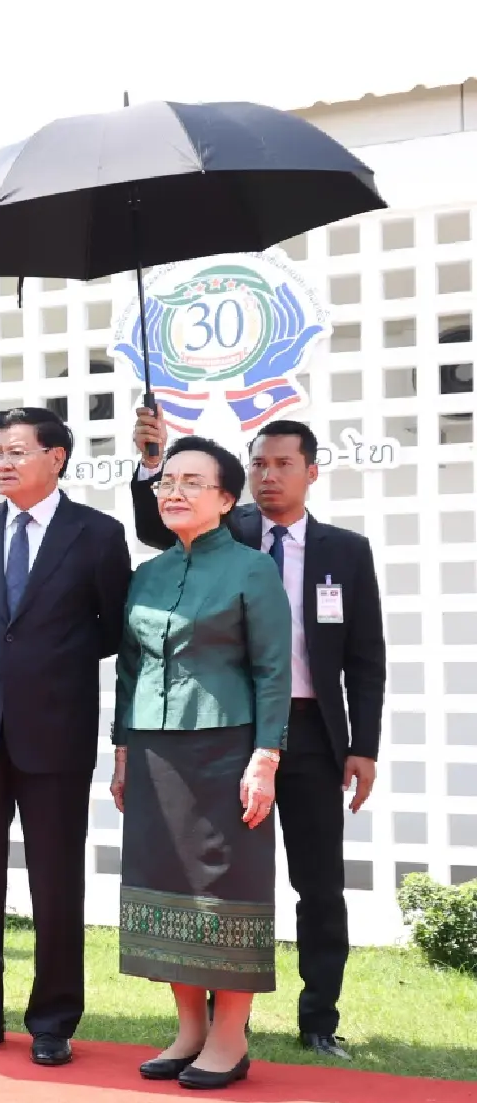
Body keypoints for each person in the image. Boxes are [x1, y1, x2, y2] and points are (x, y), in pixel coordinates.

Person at [129, 411, 385, 1059]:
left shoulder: (344, 553)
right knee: (218, 874)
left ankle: (318, 1016)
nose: (269, 477)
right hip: (228, 731)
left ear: (311, 471)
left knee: (318, 880)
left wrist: (363, 744)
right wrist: (152, 460)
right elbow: (153, 521)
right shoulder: (225, 534)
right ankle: (217, 1024)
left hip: (311, 730)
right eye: (260, 465)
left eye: (283, 464)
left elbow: (365, 656)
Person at [0, 406, 132, 1067]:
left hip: (56, 732)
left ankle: (53, 1019)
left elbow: (112, 630)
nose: (2, 463)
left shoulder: (97, 534)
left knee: (55, 881)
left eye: (16, 451)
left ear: (57, 457)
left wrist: (51, 661)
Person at [112, 438, 291, 1090]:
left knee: (223, 888)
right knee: (166, 885)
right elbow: (130, 669)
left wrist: (265, 757)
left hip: (228, 748)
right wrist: (123, 749)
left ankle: (230, 1035)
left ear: (225, 497)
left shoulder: (252, 569)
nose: (174, 492)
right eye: (166, 482)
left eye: (192, 481)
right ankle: (188, 1028)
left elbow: (273, 670)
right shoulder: (148, 574)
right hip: (155, 749)